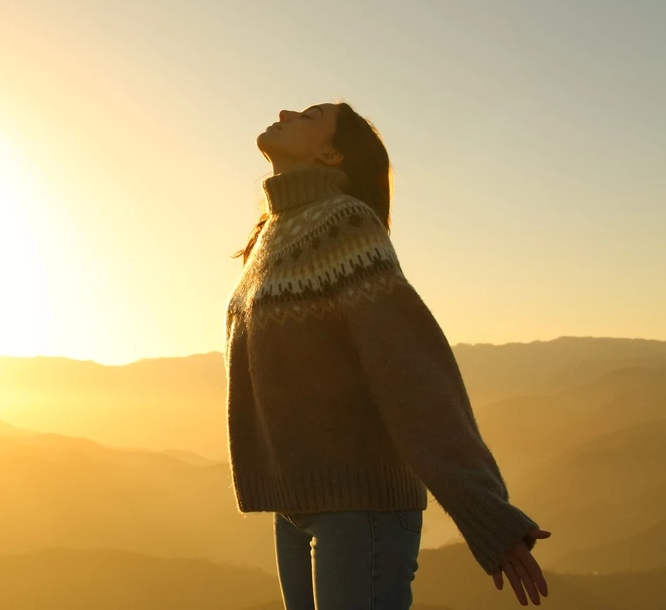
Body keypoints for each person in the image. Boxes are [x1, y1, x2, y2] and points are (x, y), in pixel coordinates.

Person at [224, 101, 552, 609]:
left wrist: (486, 510)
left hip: (361, 511)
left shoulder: (345, 225)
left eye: (308, 117)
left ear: (332, 153)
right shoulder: (272, 235)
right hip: (297, 506)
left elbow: (413, 373)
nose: (286, 112)